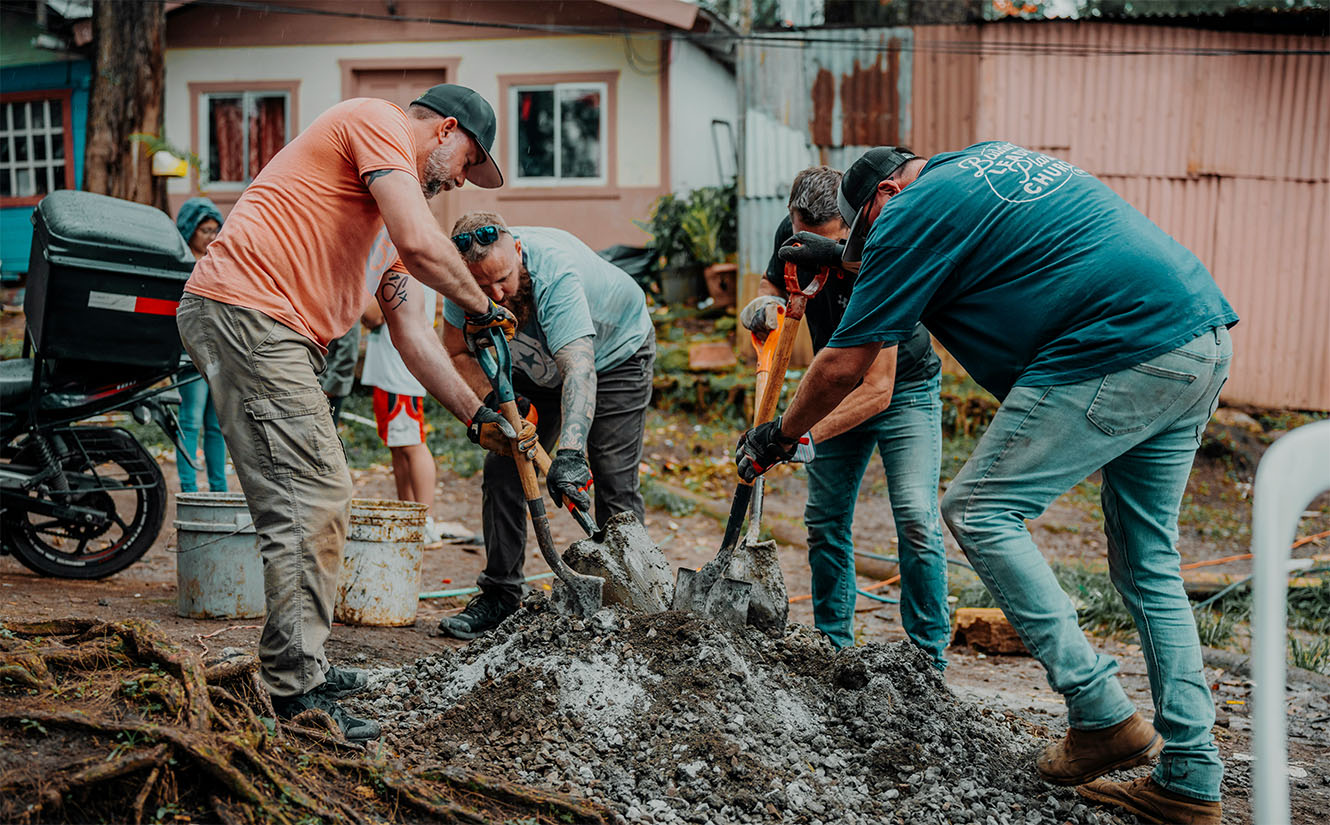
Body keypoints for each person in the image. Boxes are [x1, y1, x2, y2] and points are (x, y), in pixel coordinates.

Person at [734, 143, 1235, 825]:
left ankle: (1098, 707)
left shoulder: (907, 211)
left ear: (885, 194)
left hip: (1115, 345)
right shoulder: (976, 164)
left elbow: (845, 365)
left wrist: (781, 433)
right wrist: (842, 259)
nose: (869, 244)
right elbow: (913, 248)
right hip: (1195, 333)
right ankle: (1190, 776)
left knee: (979, 506)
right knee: (1148, 563)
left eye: (867, 230)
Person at [176, 84, 518, 741]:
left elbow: (413, 335)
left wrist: (477, 417)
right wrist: (481, 301)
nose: (461, 180)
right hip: (250, 312)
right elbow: (424, 245)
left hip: (275, 329)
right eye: (468, 160)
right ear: (444, 130)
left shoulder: (388, 226)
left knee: (309, 500)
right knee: (315, 498)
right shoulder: (377, 121)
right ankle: (295, 690)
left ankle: (300, 667)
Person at [739, 165, 949, 664]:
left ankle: (928, 660)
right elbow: (773, 286)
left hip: (903, 387)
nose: (812, 247)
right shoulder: (795, 234)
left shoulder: (884, 240)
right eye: (801, 235)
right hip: (832, 380)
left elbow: (878, 389)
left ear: (851, 225)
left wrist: (798, 436)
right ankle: (833, 649)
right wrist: (762, 306)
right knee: (826, 520)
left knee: (917, 518)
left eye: (828, 241)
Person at [437, 212, 655, 640]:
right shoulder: (460, 284)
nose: (496, 294)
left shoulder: (556, 273)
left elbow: (579, 370)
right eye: (482, 287)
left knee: (612, 477)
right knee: (503, 468)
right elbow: (456, 352)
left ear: (517, 250)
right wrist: (494, 402)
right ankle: (500, 595)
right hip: (534, 369)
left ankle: (635, 599)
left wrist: (570, 455)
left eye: (503, 279)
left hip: (614, 358)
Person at [361, 290, 446, 544]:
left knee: (412, 444)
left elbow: (372, 315)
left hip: (399, 371)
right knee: (399, 447)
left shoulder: (398, 261)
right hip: (391, 369)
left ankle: (425, 522)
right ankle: (408, 516)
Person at [174, 197, 228, 494]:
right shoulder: (181, 264)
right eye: (205, 230)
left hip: (220, 356)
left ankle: (219, 491)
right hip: (190, 357)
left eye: (215, 230)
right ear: (190, 230)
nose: (212, 236)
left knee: (218, 426)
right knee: (191, 421)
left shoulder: (219, 263)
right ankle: (189, 489)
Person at [319, 324, 361, 425]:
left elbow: (348, 351)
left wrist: (330, 386)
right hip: (316, 381)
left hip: (327, 385)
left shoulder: (347, 310)